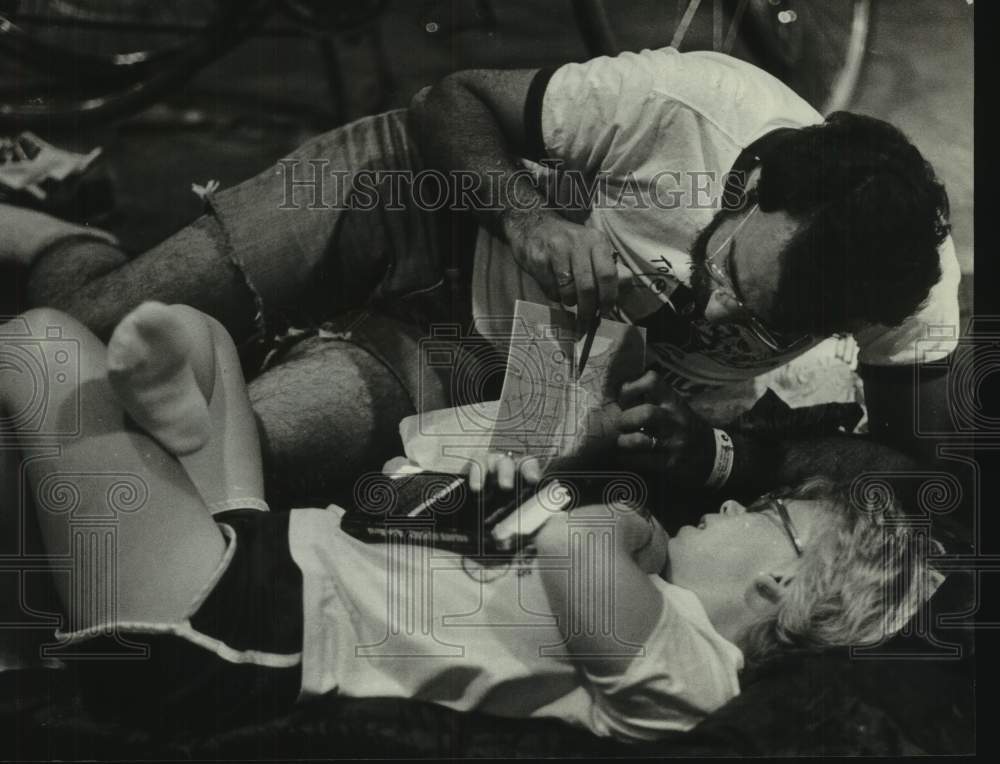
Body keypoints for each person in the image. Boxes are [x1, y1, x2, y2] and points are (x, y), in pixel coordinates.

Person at [0, 47, 960, 506]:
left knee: (237, 452)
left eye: (762, 320)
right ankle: (57, 237)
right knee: (89, 329)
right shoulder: (690, 105)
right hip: (428, 193)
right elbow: (447, 102)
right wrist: (529, 216)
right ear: (749, 184)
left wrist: (727, 458)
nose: (713, 309)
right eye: (732, 274)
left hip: (518, 357)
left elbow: (915, 474)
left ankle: (91, 256)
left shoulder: (905, 292)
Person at [0, 302, 939, 741]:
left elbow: (548, 522)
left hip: (251, 633)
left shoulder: (693, 671)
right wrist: (567, 353)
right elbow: (450, 472)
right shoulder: (633, 573)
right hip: (297, 541)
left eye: (767, 512)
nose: (734, 505)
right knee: (196, 340)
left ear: (783, 581)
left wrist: (604, 497)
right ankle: (166, 409)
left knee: (45, 350)